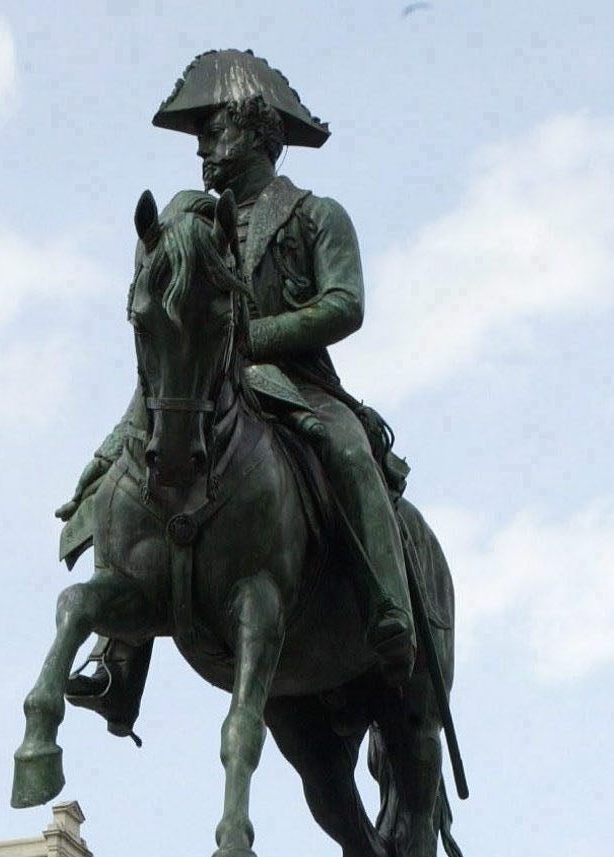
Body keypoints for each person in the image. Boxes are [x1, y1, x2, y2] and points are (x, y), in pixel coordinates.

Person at [58, 47, 417, 735]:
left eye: (215, 133)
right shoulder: (189, 223)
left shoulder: (317, 216)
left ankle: (386, 606)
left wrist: (254, 335)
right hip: (201, 382)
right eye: (199, 139)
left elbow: (344, 305)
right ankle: (117, 662)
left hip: (295, 381)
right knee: (118, 474)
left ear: (258, 135)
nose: (204, 150)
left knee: (346, 450)